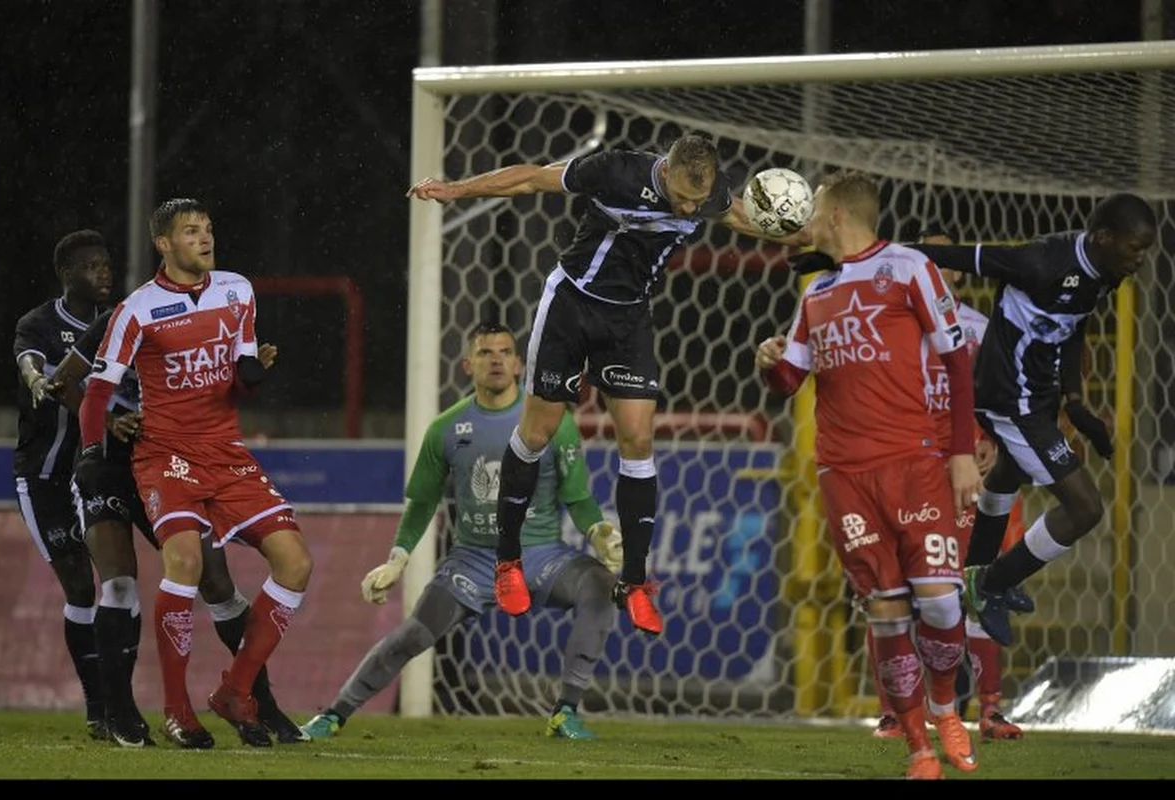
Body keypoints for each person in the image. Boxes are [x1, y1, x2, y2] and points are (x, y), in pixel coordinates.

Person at [408, 134, 805, 634]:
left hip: (628, 321)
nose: (688, 207)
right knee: (537, 434)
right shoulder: (615, 170)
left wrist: (822, 237)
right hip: (570, 307)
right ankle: (507, 561)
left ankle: (635, 584)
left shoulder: (712, 194)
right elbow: (532, 176)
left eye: (696, 202)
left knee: (638, 441)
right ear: (665, 170)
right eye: (681, 196)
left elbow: (753, 221)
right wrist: (455, 190)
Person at [755, 171, 982, 779]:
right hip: (843, 472)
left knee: (937, 600)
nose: (806, 220)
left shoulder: (909, 267)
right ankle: (917, 748)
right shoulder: (815, 292)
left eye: (815, 209)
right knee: (886, 610)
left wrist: (961, 451)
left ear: (834, 216)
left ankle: (945, 708)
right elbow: (790, 382)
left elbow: (957, 359)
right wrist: (771, 360)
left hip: (913, 460)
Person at [300, 321, 623, 741]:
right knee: (412, 635)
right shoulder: (446, 428)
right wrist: (397, 559)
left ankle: (565, 712)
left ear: (519, 364)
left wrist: (598, 531)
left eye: (505, 352)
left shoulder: (554, 421)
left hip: (539, 556)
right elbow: (421, 502)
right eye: (486, 353)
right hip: (473, 560)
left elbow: (577, 497)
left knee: (600, 587)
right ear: (468, 364)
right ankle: (334, 714)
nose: (496, 361)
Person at [78, 198, 314, 749]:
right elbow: (97, 390)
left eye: (208, 229)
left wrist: (254, 375)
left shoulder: (238, 289)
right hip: (166, 455)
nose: (205, 239)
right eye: (191, 231)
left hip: (226, 451)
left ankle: (236, 690)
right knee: (184, 563)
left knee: (297, 564)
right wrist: (92, 450)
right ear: (164, 243)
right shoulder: (138, 309)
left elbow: (240, 373)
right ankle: (178, 709)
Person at [910, 193, 1158, 648]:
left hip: (1036, 398)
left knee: (1010, 472)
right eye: (1134, 248)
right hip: (1009, 400)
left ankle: (976, 572)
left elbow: (1073, 323)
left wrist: (1076, 400)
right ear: (1104, 238)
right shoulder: (1041, 260)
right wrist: (856, 255)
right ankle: (991, 584)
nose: (1140, 260)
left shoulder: (1106, 272)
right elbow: (948, 254)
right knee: (1085, 508)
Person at [867, 231, 1024, 743]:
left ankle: (990, 709)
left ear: (956, 270)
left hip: (960, 475)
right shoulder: (889, 324)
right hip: (900, 470)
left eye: (940, 257)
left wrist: (992, 443)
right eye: (921, 256)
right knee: (890, 590)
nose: (931, 264)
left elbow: (1001, 395)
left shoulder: (979, 328)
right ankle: (894, 712)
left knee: (971, 588)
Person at [11, 229, 113, 741]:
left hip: (94, 474)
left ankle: (119, 702)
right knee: (80, 587)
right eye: (92, 265)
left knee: (119, 582)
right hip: (45, 477)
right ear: (67, 274)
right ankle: (98, 703)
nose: (104, 273)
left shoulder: (118, 324)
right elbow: (31, 363)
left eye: (106, 264)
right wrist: (35, 380)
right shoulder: (40, 324)